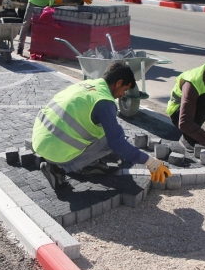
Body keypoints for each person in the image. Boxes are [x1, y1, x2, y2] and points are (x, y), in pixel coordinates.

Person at [34, 62, 172, 190]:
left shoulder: (87, 84)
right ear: (118, 83)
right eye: (124, 89)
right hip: (55, 151)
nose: (122, 95)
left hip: (40, 140)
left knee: (108, 131)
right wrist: (151, 162)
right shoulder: (104, 102)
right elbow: (117, 143)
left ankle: (90, 164)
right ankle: (58, 169)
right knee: (112, 140)